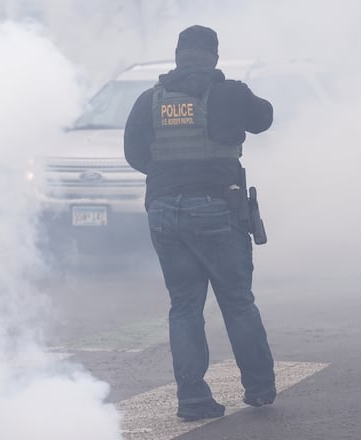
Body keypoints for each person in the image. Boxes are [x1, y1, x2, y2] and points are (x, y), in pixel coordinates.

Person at [123, 25, 276, 421]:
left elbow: (135, 154)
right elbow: (264, 119)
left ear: (178, 56)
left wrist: (169, 178)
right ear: (214, 57)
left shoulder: (150, 100)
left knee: (185, 306)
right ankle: (258, 388)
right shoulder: (230, 92)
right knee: (237, 302)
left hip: (163, 212)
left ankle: (192, 399)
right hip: (215, 210)